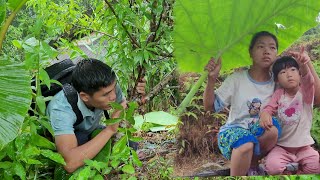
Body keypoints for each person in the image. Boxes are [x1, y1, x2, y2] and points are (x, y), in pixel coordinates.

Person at [203, 31, 320, 176]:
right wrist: (211, 80)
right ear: (250, 52)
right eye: (260, 47)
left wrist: (307, 64)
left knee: (272, 130)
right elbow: (210, 106)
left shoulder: (279, 82)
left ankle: (253, 165)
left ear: (276, 53)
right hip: (233, 132)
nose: (266, 51)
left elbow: (316, 98)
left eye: (272, 48)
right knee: (246, 143)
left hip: (259, 133)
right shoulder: (236, 79)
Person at [46, 58, 146, 173]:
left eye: (114, 88)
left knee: (130, 145)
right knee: (81, 141)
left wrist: (137, 97)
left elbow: (123, 105)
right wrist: (110, 130)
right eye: (106, 94)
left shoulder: (108, 88)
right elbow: (69, 163)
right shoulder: (61, 108)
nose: (113, 96)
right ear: (85, 97)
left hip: (92, 130)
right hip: (69, 138)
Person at [260, 53, 320, 175]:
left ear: (299, 73)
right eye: (282, 72)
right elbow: (269, 107)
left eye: (293, 70)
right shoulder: (278, 94)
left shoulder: (306, 92)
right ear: (277, 79)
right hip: (282, 147)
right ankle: (289, 170)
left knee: (315, 166)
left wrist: (304, 65)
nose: (289, 74)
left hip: (304, 147)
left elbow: (309, 80)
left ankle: (296, 171)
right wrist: (265, 114)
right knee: (273, 167)